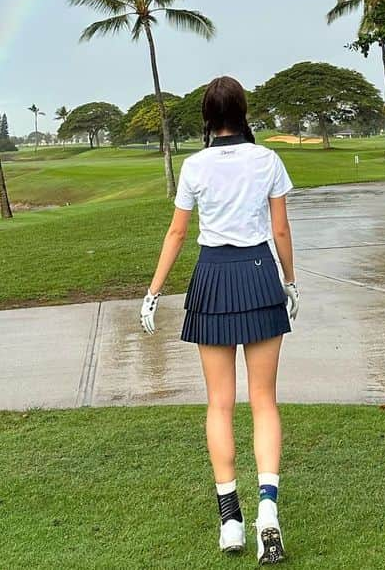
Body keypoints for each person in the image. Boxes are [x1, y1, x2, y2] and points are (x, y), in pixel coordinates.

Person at [140, 75, 298, 565]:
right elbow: (279, 229)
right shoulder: (266, 159)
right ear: (243, 112)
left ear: (208, 118)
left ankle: (231, 520)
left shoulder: (194, 166)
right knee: (265, 402)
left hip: (211, 276)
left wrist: (153, 292)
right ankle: (267, 513)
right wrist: (290, 283)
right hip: (258, 275)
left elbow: (177, 232)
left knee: (220, 404)